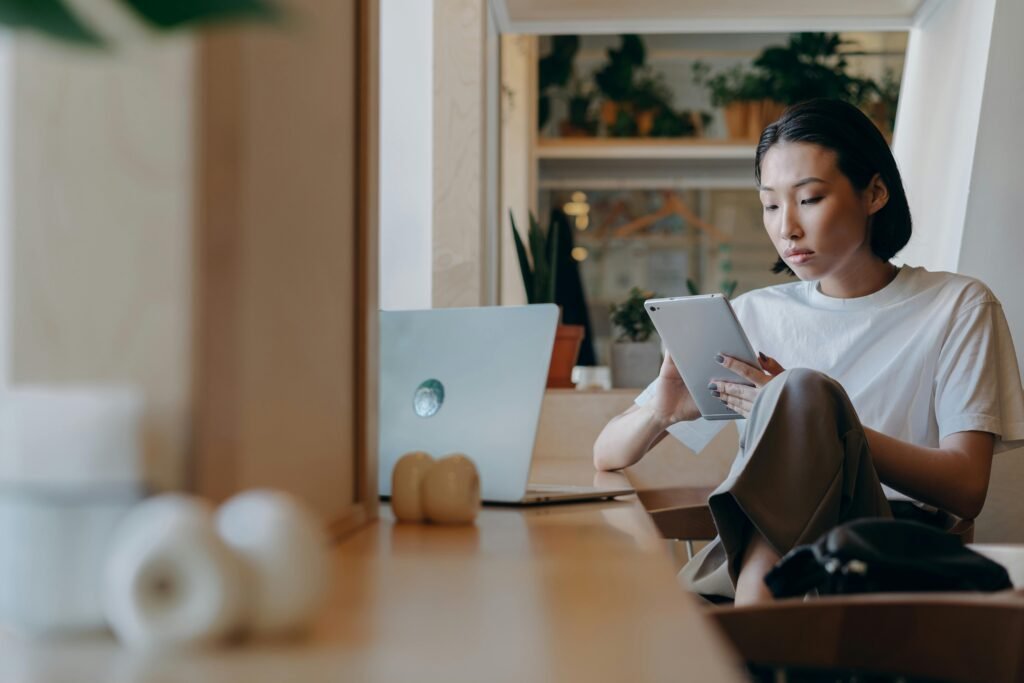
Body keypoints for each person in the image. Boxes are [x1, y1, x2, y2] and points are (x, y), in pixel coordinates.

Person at [593, 99, 1024, 605]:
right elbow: (608, 453)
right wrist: (662, 412)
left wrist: (817, 421)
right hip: (767, 538)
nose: (786, 228)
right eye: (771, 205)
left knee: (805, 389)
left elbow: (966, 487)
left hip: (885, 552)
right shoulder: (753, 317)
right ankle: (762, 617)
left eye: (810, 198)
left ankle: (755, 615)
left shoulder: (958, 305)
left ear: (875, 192)